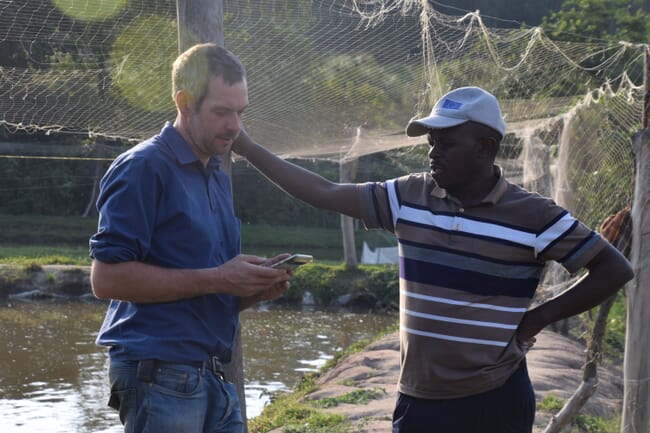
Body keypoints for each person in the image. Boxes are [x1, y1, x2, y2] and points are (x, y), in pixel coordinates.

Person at [231, 86, 634, 433]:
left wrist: (537, 317)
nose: (432, 153)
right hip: (419, 399)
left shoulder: (533, 215)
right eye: (431, 142)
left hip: (495, 399)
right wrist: (246, 146)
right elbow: (324, 191)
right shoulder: (408, 197)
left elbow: (614, 268)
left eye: (446, 143)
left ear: (485, 147)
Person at [89, 43, 292, 433]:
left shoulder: (216, 173)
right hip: (159, 375)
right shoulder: (143, 167)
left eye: (240, 112)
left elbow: (205, 287)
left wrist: (252, 288)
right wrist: (219, 278)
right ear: (184, 103)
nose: (235, 126)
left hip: (214, 375)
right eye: (221, 112)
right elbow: (106, 280)